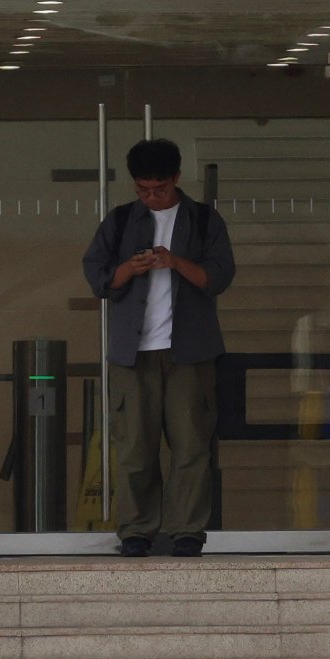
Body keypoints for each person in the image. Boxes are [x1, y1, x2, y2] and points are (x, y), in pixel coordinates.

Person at [80, 138, 235, 556]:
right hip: (133, 352)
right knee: (134, 446)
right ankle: (136, 530)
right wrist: (129, 268)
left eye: (160, 189)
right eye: (143, 189)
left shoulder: (204, 220)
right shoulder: (118, 222)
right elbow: (97, 279)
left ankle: (187, 530)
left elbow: (219, 277)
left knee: (191, 444)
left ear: (177, 179)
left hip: (190, 351)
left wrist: (176, 261)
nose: (152, 196)